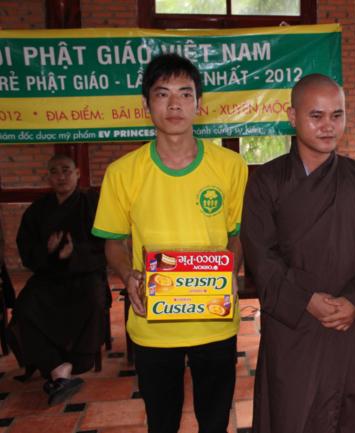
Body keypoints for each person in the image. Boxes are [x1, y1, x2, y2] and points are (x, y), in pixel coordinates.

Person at [92, 53, 247, 433]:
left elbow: (237, 234)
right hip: (153, 322)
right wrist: (127, 274)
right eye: (162, 94)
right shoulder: (122, 173)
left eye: (185, 94)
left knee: (215, 422)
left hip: (214, 319)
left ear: (199, 104)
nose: (174, 104)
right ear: (146, 106)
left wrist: (230, 272)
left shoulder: (230, 166)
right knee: (162, 423)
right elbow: (113, 241)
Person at [241, 74, 355, 433]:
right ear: (292, 117)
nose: (328, 126)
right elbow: (260, 254)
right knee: (292, 412)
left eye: (336, 115)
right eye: (316, 116)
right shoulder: (267, 181)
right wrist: (305, 299)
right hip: (294, 323)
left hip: (352, 324)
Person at [14, 154, 107, 405]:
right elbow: (26, 250)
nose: (61, 176)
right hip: (50, 276)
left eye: (66, 170)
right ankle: (56, 366)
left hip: (85, 274)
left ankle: (77, 361)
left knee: (94, 301)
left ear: (77, 173)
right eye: (54, 172)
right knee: (25, 307)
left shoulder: (92, 203)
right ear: (48, 177)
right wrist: (48, 251)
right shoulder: (38, 210)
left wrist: (75, 253)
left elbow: (106, 244)